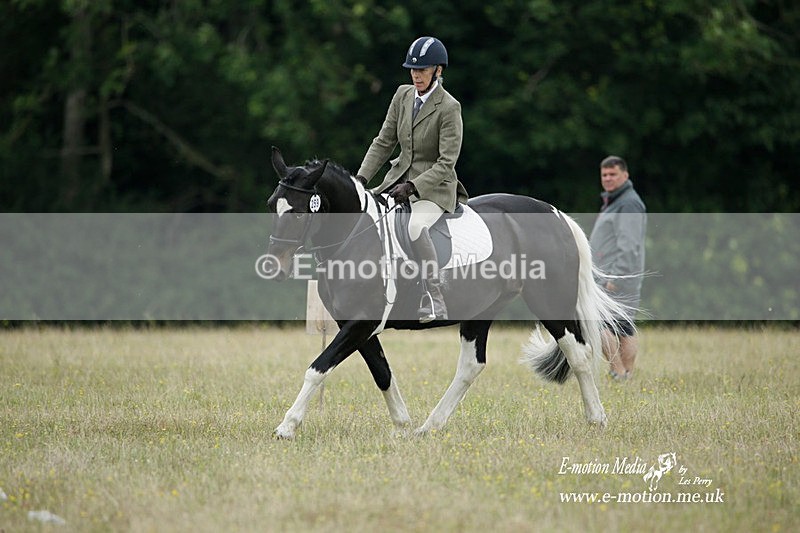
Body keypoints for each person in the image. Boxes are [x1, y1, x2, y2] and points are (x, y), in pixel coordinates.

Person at [356, 36, 468, 323]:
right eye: (413, 70)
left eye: (423, 70)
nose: (416, 75)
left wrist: (414, 186)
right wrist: (361, 178)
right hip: (397, 182)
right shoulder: (402, 95)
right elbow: (384, 142)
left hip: (435, 189)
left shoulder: (449, 107)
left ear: (438, 71)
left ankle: (433, 296)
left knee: (416, 226)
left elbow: (446, 163)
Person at [589, 156, 647, 380]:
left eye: (613, 174)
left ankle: (618, 371)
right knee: (623, 327)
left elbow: (629, 245)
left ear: (625, 175)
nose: (608, 178)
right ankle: (626, 375)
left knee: (597, 323)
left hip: (615, 277)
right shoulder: (616, 201)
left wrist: (616, 277)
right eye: (604, 175)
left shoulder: (628, 204)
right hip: (614, 276)